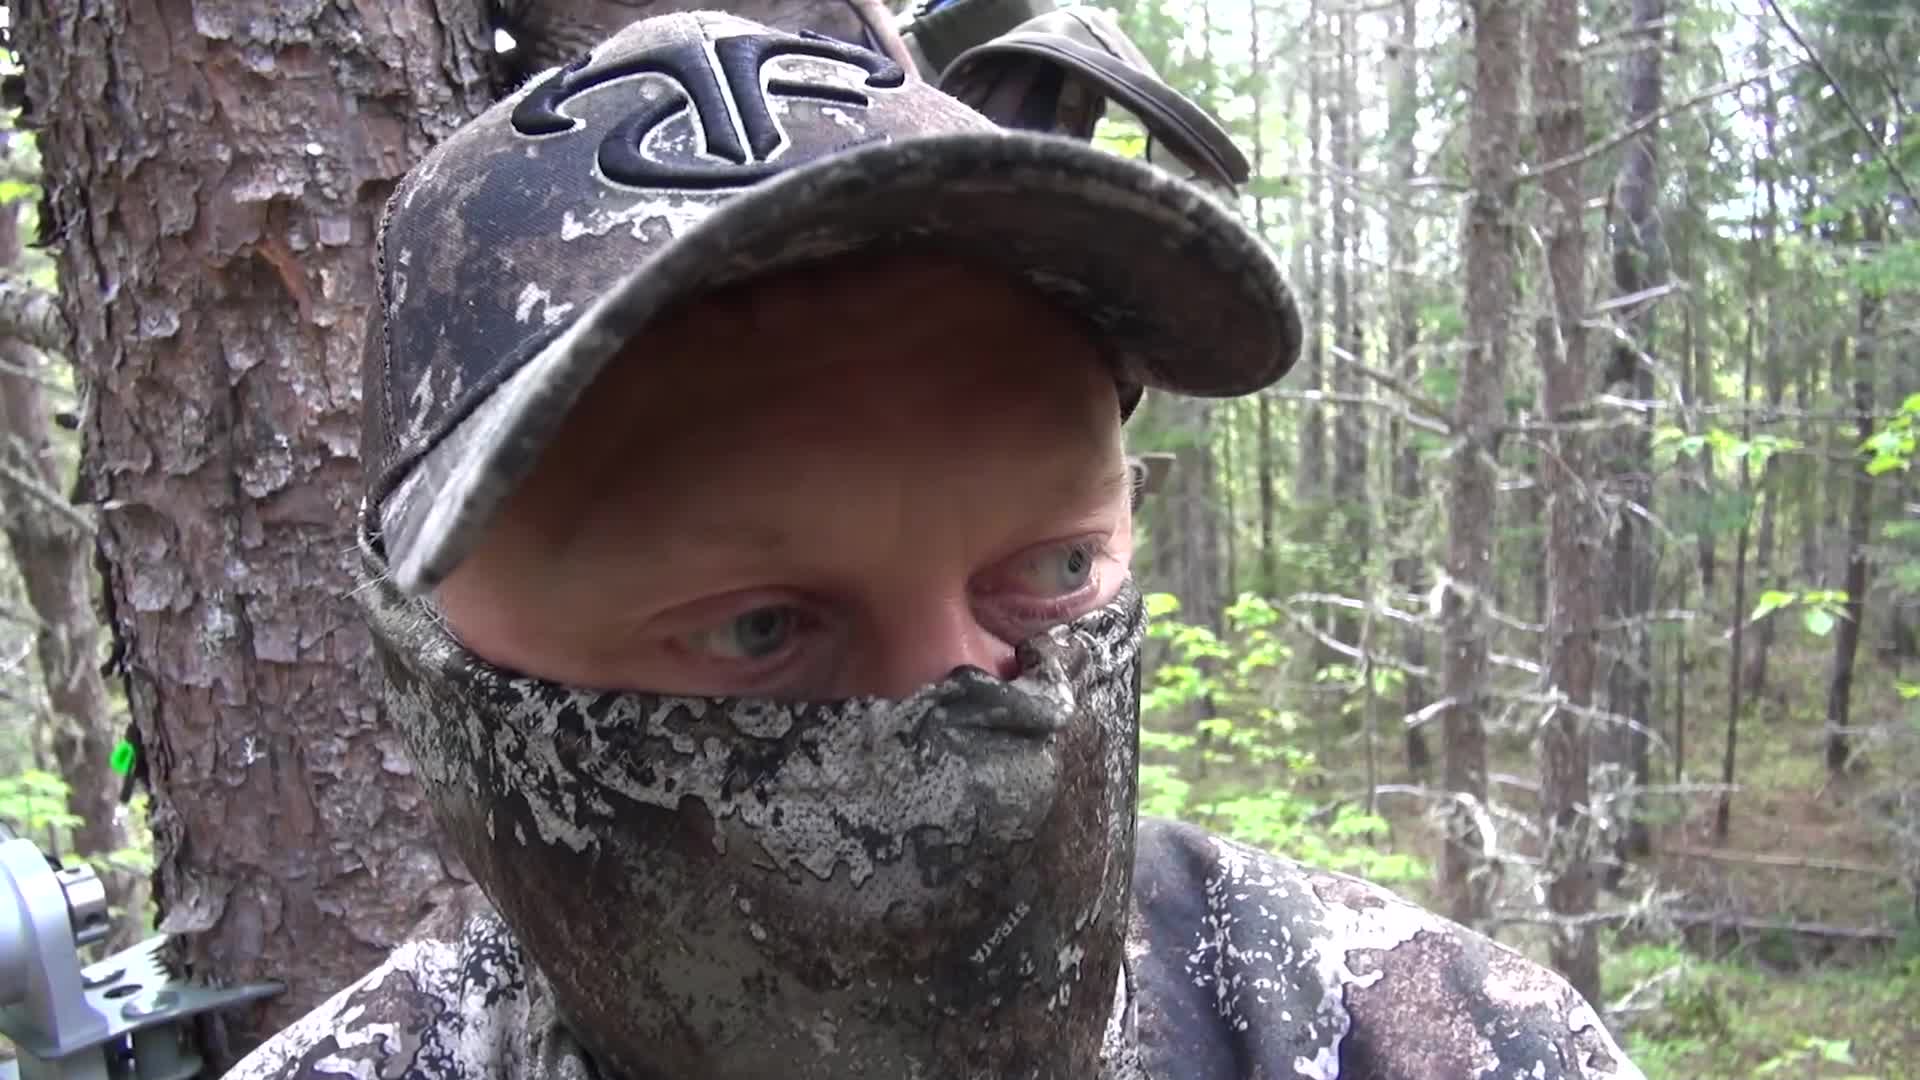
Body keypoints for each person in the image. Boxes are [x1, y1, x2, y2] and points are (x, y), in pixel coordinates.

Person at [230, 10, 1643, 1080]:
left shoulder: (1424, 1042)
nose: (965, 727)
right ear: (430, 672)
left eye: (1054, 571)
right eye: (758, 630)